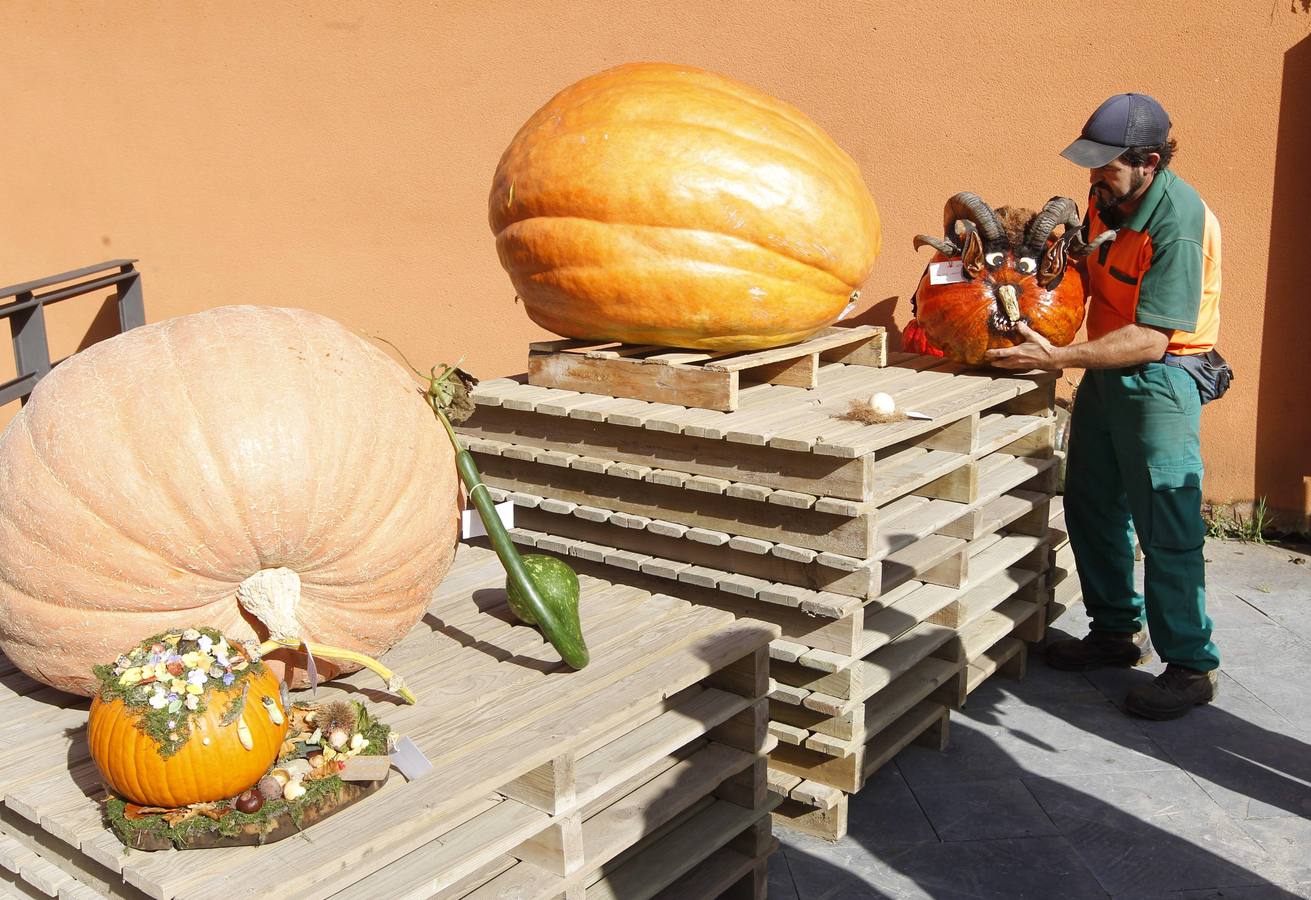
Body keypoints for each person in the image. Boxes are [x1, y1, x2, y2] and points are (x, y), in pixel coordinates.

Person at [986, 93, 1222, 720]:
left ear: (1148, 161)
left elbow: (1151, 337)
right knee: (1089, 503)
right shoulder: (1105, 200)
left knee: (1165, 526)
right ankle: (1116, 633)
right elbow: (1084, 270)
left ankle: (1191, 665)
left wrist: (1055, 360)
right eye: (1090, 165)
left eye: (1106, 166)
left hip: (1162, 381)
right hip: (1105, 370)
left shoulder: (1180, 222)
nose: (1093, 178)